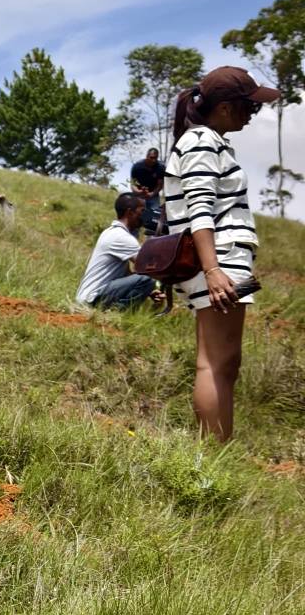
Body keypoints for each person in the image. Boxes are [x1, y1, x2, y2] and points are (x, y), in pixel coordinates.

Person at [165, 66, 276, 442]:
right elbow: (200, 209)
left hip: (218, 260)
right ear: (226, 107)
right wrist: (213, 269)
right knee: (218, 363)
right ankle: (216, 454)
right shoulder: (201, 141)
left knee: (220, 362)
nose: (253, 114)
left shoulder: (207, 141)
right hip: (219, 261)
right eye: (250, 106)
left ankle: (214, 451)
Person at [75, 193, 159, 311]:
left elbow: (127, 274)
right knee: (147, 279)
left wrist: (148, 290)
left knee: (145, 281)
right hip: (93, 299)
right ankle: (118, 314)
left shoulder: (111, 232)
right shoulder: (122, 237)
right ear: (130, 212)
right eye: (142, 211)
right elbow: (149, 267)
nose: (145, 215)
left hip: (88, 297)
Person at [130, 147, 166, 235]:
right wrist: (139, 192)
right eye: (151, 157)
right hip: (139, 195)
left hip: (153, 196)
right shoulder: (137, 166)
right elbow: (133, 184)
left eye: (155, 158)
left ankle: (151, 240)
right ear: (147, 156)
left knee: (154, 218)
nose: (153, 160)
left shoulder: (160, 167)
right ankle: (132, 237)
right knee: (135, 217)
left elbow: (160, 184)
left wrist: (152, 193)